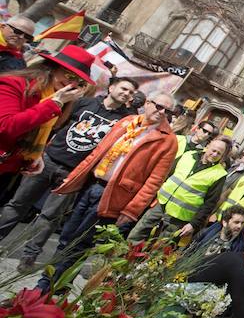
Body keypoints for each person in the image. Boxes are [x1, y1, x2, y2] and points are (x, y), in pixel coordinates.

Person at [35, 93, 178, 292]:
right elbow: (98, 152)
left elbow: (153, 182)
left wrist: (131, 211)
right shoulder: (127, 122)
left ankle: (43, 289)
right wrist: (75, 177)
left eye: (167, 111)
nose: (162, 113)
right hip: (92, 185)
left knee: (80, 244)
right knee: (67, 237)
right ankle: (57, 286)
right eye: (159, 106)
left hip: (114, 197)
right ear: (147, 103)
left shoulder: (168, 141)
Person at [0, 76, 137, 270]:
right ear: (111, 87)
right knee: (18, 204)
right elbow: (58, 124)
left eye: (131, 92)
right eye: (124, 88)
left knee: (50, 216)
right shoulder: (84, 103)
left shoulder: (125, 121)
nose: (127, 94)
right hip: (49, 160)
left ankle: (29, 256)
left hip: (74, 173)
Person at [0, 45, 93, 200]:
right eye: (70, 76)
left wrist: (35, 156)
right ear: (52, 68)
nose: (74, 85)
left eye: (80, 82)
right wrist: (54, 104)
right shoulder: (15, 84)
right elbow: (6, 126)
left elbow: (36, 132)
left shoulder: (56, 96)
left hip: (8, 168)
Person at [127, 136, 231, 242]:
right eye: (213, 150)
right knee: (136, 235)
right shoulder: (188, 155)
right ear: (207, 146)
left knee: (159, 250)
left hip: (179, 218)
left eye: (219, 153)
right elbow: (167, 174)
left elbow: (210, 203)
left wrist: (193, 224)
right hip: (160, 205)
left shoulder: (219, 174)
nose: (214, 155)